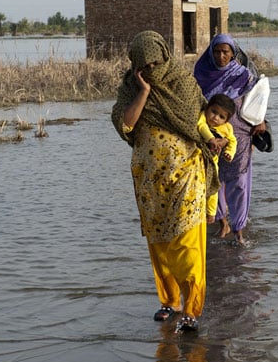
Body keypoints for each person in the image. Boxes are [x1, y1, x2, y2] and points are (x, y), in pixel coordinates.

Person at [111, 30, 220, 333]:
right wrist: (143, 92)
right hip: (149, 182)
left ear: (165, 57)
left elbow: (196, 123)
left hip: (186, 176)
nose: (151, 70)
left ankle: (192, 309)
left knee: (186, 244)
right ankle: (170, 301)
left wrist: (213, 141)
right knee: (160, 244)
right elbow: (126, 125)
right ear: (135, 65)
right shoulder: (129, 89)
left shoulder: (184, 83)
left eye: (155, 63)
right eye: (144, 66)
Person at [193, 33, 267, 245]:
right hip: (209, 136)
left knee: (239, 183)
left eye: (226, 52)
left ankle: (239, 229)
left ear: (233, 54)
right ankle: (222, 222)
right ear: (211, 52)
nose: (221, 56)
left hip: (240, 136)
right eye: (217, 51)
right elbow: (195, 105)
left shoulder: (243, 75)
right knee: (212, 179)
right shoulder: (201, 73)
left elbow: (256, 102)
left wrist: (261, 121)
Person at [197, 93, 237, 225]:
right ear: (207, 108)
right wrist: (211, 139)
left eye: (221, 117)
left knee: (213, 188)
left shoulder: (227, 128)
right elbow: (201, 126)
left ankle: (212, 213)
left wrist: (229, 153)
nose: (215, 118)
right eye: (213, 112)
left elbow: (232, 141)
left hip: (213, 161)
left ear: (226, 120)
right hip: (197, 159)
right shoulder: (202, 116)